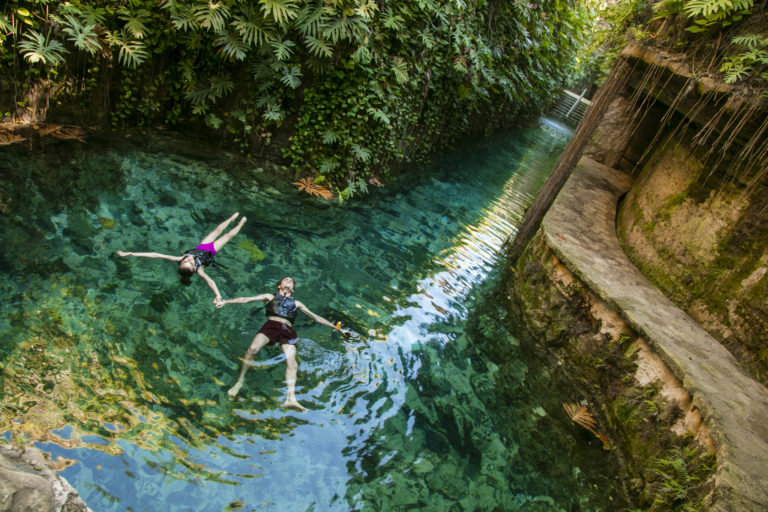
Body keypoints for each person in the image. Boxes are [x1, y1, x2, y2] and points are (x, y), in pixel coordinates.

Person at [217, 277, 350, 411]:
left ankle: (290, 399)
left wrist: (338, 329)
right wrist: (226, 302)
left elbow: (315, 317)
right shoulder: (269, 296)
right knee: (252, 349)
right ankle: (240, 381)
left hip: (288, 330)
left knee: (292, 363)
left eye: (291, 281)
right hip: (271, 325)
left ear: (292, 289)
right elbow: (246, 299)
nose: (289, 281)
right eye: (286, 280)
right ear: (279, 285)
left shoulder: (297, 303)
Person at [116, 212, 246, 304]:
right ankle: (240, 224)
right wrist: (218, 295)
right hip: (210, 252)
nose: (188, 259)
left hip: (202, 247)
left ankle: (231, 219)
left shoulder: (178, 259)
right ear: (194, 268)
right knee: (228, 236)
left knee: (217, 230)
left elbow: (156, 255)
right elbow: (210, 281)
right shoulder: (200, 270)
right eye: (190, 262)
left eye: (185, 260)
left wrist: (131, 253)